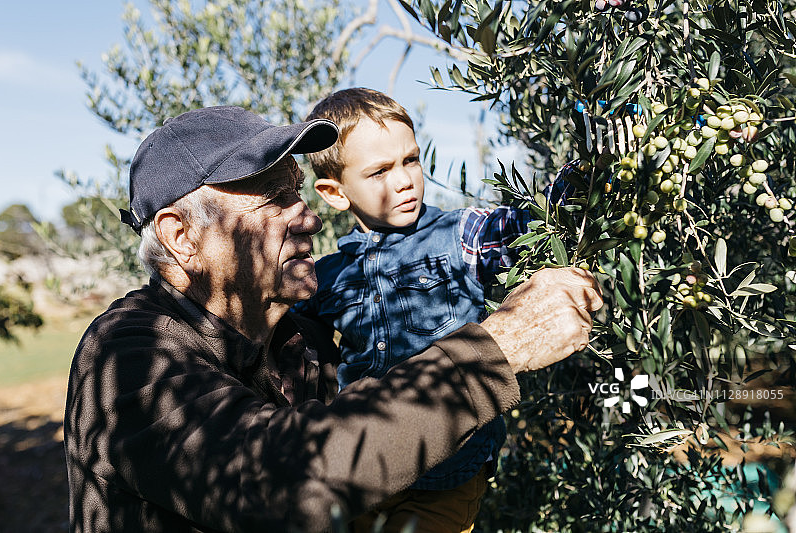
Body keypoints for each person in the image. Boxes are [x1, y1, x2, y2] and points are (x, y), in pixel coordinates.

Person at [63, 105, 603, 533]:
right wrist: (497, 349)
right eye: (274, 200)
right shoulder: (125, 358)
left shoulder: (299, 337)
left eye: (296, 193)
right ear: (182, 237)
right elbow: (282, 484)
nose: (309, 218)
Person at [294, 88, 576, 532]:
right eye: (379, 171)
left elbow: (531, 224)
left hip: (449, 474)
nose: (404, 180)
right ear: (334, 193)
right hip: (365, 470)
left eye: (411, 160)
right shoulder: (328, 274)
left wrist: (583, 175)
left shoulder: (458, 236)